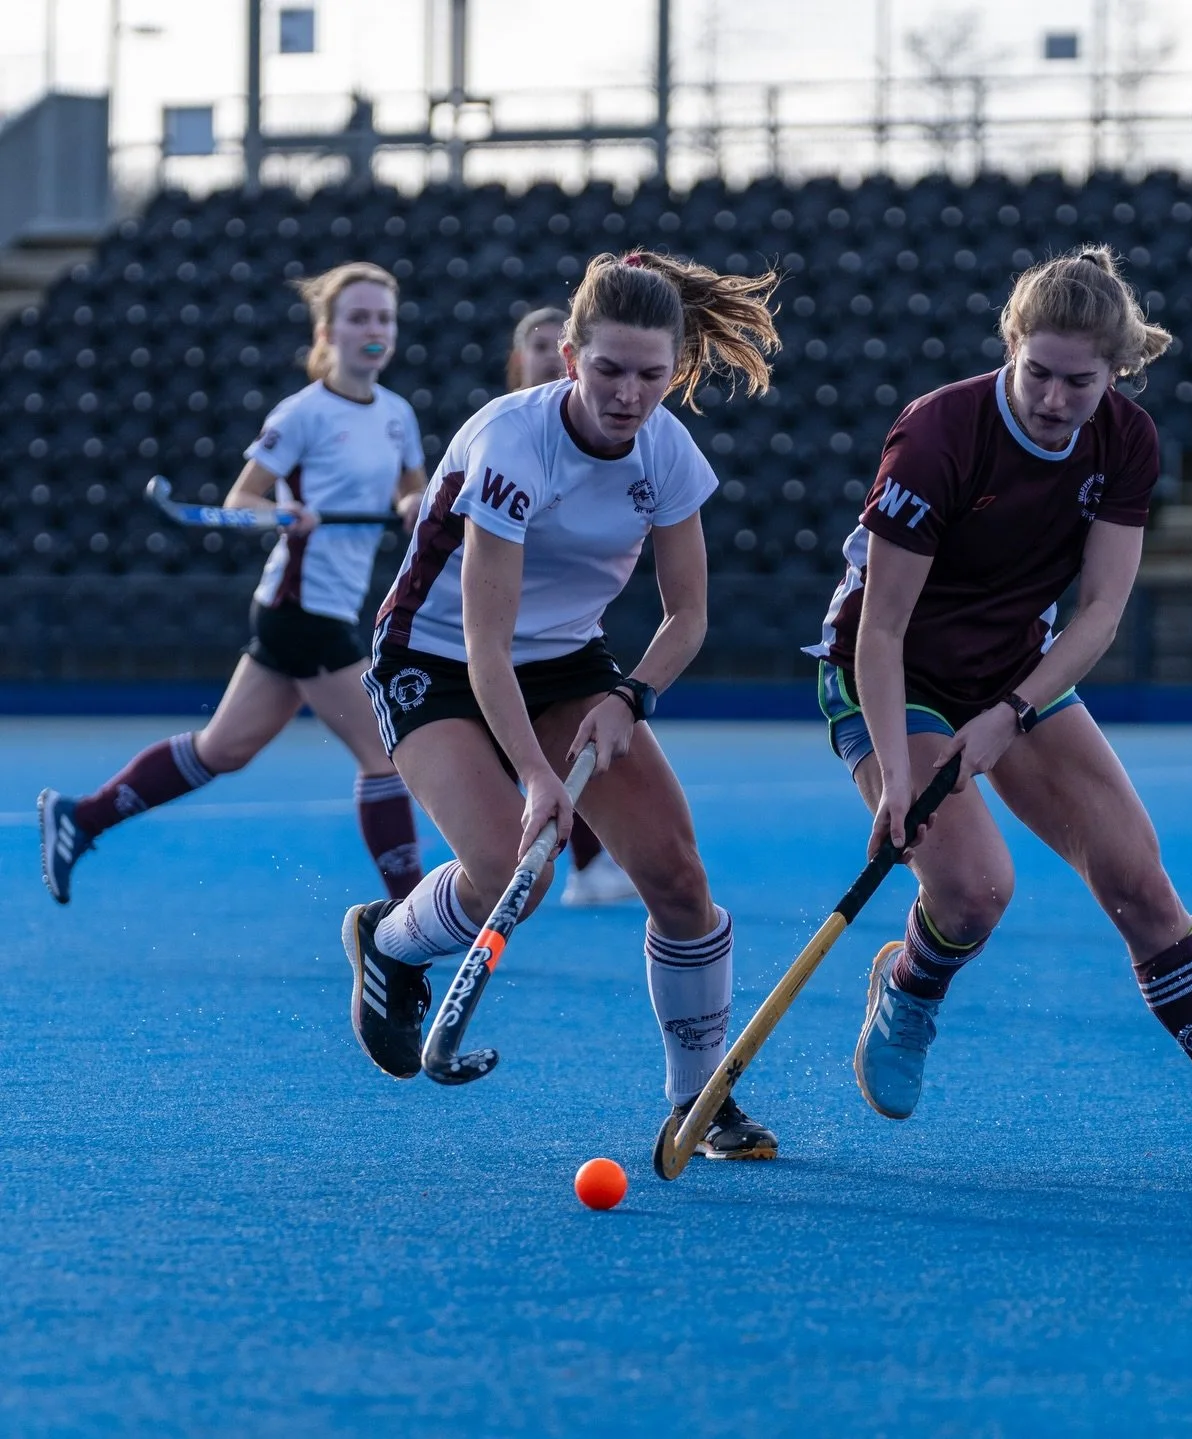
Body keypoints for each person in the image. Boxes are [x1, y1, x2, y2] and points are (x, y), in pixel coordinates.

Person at [806, 247, 1192, 1172]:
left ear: (1116, 373)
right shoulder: (938, 435)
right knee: (975, 890)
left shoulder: (1126, 440)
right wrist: (898, 772)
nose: (1056, 399)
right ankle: (910, 985)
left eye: (1082, 381)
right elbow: (881, 629)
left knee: (1140, 883)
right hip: (890, 672)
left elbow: (1102, 610)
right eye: (1039, 372)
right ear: (1011, 346)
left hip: (1015, 672)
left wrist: (1011, 714)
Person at [345, 250, 782, 1159]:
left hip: (572, 665)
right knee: (518, 867)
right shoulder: (513, 445)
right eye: (610, 369)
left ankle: (699, 1101)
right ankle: (389, 942)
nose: (629, 394)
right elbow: (485, 646)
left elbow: (688, 614)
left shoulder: (668, 452)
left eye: (652, 375)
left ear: (677, 369)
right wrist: (542, 777)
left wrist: (633, 696)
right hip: (434, 660)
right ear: (571, 354)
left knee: (679, 882)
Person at [39, 261, 428, 907]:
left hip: (321, 606)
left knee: (223, 748)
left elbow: (412, 484)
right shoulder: (301, 414)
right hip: (302, 607)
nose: (373, 329)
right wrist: (279, 513)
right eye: (358, 317)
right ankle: (415, 914)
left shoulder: (397, 414)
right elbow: (242, 497)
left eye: (383, 318)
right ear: (327, 331)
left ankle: (82, 818)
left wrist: (413, 501)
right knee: (384, 754)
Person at [506, 305, 639, 908]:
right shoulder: (500, 435)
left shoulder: (613, 440)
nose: (543, 357)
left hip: (558, 637)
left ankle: (586, 865)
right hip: (488, 639)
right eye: (533, 346)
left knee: (571, 744)